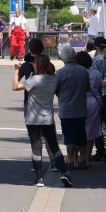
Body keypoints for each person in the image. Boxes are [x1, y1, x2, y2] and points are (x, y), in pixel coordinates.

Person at [13, 53, 72, 187]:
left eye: (35, 63)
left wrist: (16, 70)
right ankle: (64, 172)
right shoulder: (54, 79)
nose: (33, 65)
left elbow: (15, 86)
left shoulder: (34, 79)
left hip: (33, 118)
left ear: (39, 65)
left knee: (36, 147)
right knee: (54, 146)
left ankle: (39, 178)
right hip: (47, 118)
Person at [55, 46, 90, 169]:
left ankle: (70, 160)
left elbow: (55, 90)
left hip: (66, 109)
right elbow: (87, 88)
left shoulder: (60, 73)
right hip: (81, 108)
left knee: (69, 136)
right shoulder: (83, 71)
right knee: (81, 135)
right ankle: (82, 159)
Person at [75, 50, 103, 166]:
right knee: (91, 131)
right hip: (94, 101)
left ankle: (77, 157)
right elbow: (99, 87)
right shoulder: (96, 73)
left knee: (78, 129)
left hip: (79, 101)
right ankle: (87, 158)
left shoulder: (77, 73)